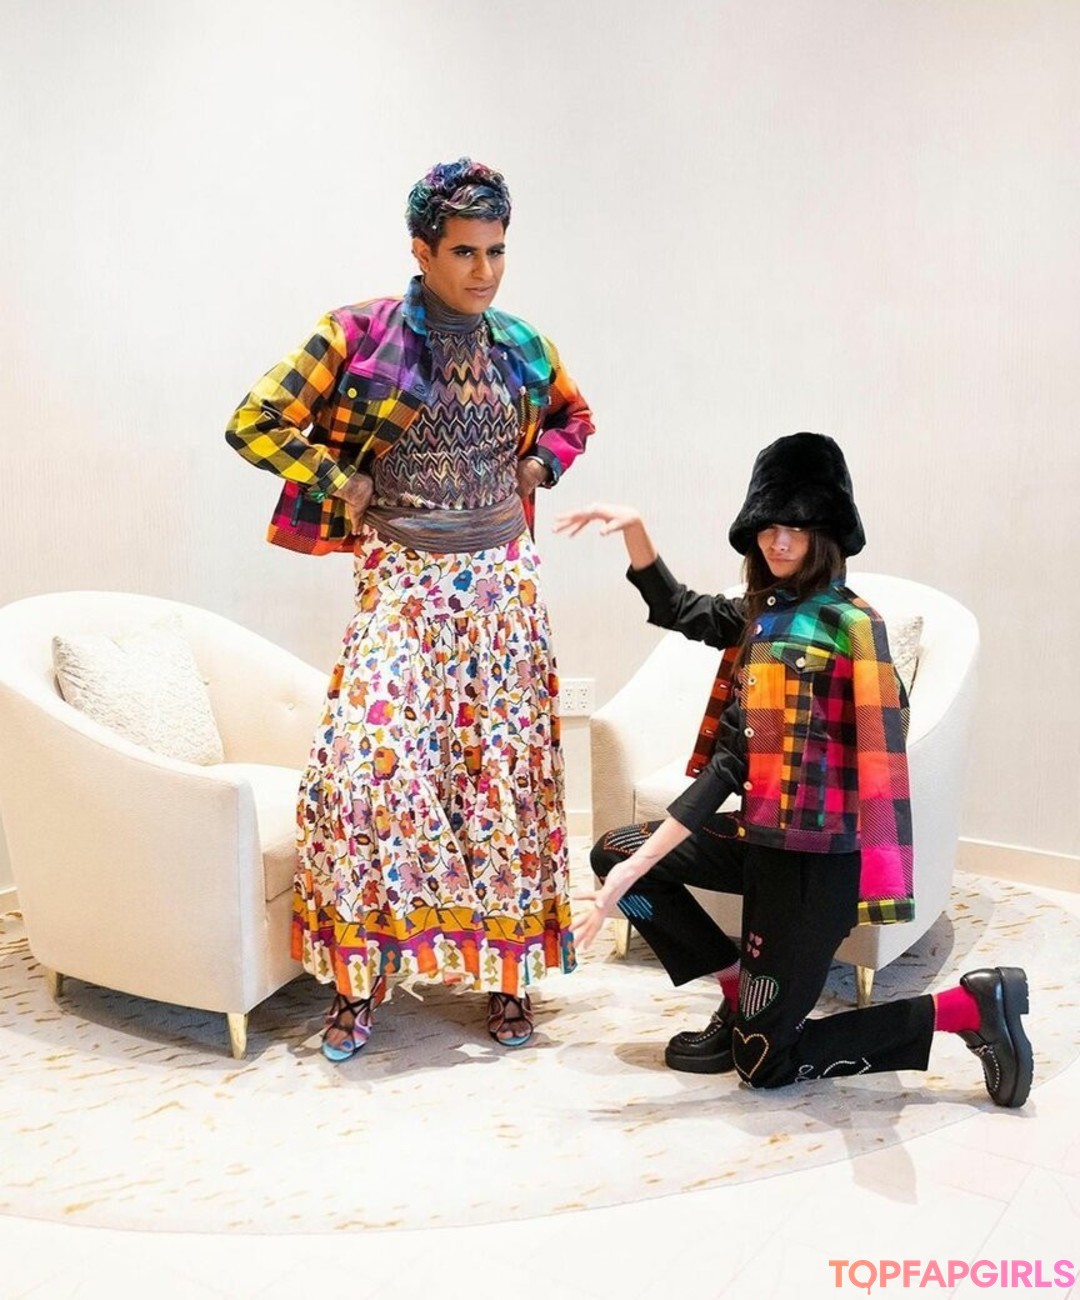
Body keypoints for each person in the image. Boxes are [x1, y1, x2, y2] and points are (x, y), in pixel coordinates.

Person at [226, 158, 593, 1059]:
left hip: (503, 588)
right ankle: (360, 981)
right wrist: (336, 478)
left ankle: (507, 977)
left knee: (499, 784)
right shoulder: (357, 335)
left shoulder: (523, 343)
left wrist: (539, 465)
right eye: (465, 252)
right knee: (365, 775)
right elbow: (255, 420)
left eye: (497, 251)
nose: (484, 271)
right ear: (422, 250)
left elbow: (574, 420)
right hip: (403, 583)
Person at [554, 433, 1032, 1107]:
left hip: (812, 865)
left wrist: (638, 871)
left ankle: (968, 1008)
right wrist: (635, 531)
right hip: (761, 838)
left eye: (798, 529)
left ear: (825, 535)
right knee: (615, 851)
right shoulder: (765, 615)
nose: (779, 543)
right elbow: (681, 613)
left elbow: (824, 753)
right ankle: (736, 992)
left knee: (764, 1064)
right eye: (769, 527)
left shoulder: (847, 627)